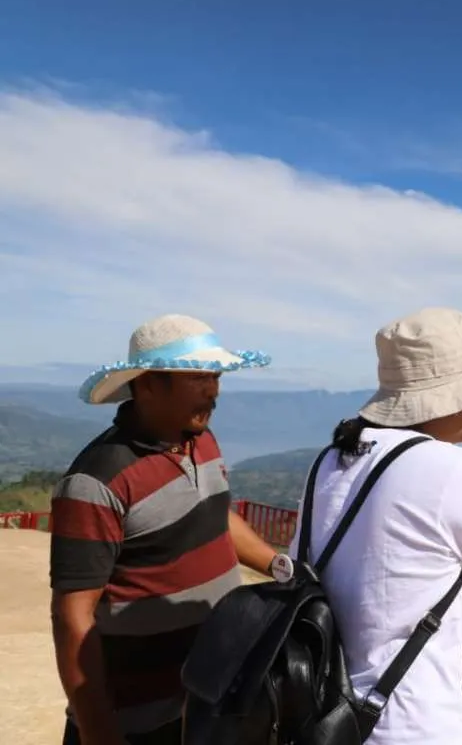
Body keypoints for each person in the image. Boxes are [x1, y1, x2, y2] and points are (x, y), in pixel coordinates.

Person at [288, 307, 462, 745]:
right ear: (449, 397)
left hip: (327, 718)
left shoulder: (330, 459)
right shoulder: (450, 470)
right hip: (417, 727)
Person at [49, 314, 291, 745]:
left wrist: (279, 566)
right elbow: (73, 616)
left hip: (206, 701)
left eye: (215, 375)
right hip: (136, 722)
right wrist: (98, 729)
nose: (214, 390)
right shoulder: (96, 482)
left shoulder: (202, 440)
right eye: (198, 377)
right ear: (147, 384)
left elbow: (217, 517)